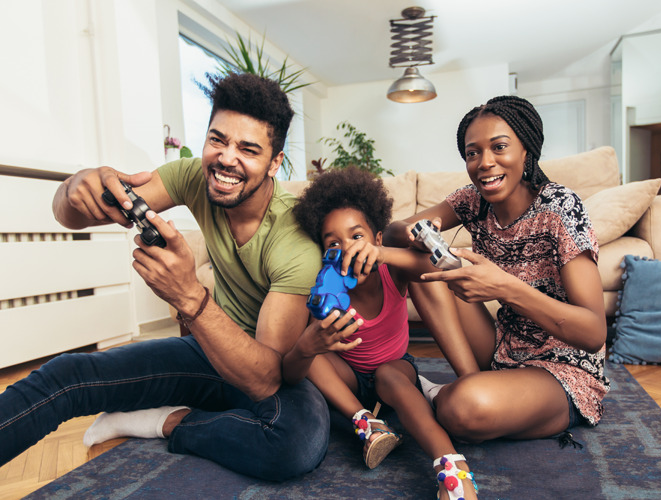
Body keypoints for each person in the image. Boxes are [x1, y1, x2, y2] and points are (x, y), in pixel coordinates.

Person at [0, 73, 330, 481]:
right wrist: (71, 192)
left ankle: (165, 421)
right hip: (209, 350)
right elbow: (81, 215)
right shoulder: (194, 175)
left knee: (296, 443)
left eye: (248, 149)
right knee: (66, 375)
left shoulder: (296, 239)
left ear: (275, 162)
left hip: (273, 367)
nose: (227, 158)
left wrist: (190, 297)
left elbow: (265, 377)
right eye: (218, 140)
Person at [385, 95, 610, 448]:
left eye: (499, 147)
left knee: (463, 408)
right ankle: (472, 382)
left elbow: (594, 332)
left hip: (562, 368)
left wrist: (505, 288)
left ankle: (446, 396)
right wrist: (420, 231)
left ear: (526, 151)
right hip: (501, 351)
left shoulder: (560, 207)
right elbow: (393, 232)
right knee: (426, 267)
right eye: (473, 153)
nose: (484, 163)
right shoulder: (473, 201)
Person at [283, 167, 479, 500]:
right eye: (334, 243)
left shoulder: (392, 271)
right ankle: (365, 423)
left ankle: (452, 469)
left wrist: (387, 254)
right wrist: (312, 340)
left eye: (356, 237)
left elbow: (435, 270)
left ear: (375, 240)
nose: (348, 248)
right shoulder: (326, 291)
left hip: (395, 370)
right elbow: (291, 371)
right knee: (307, 345)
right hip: (349, 383)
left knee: (390, 374)